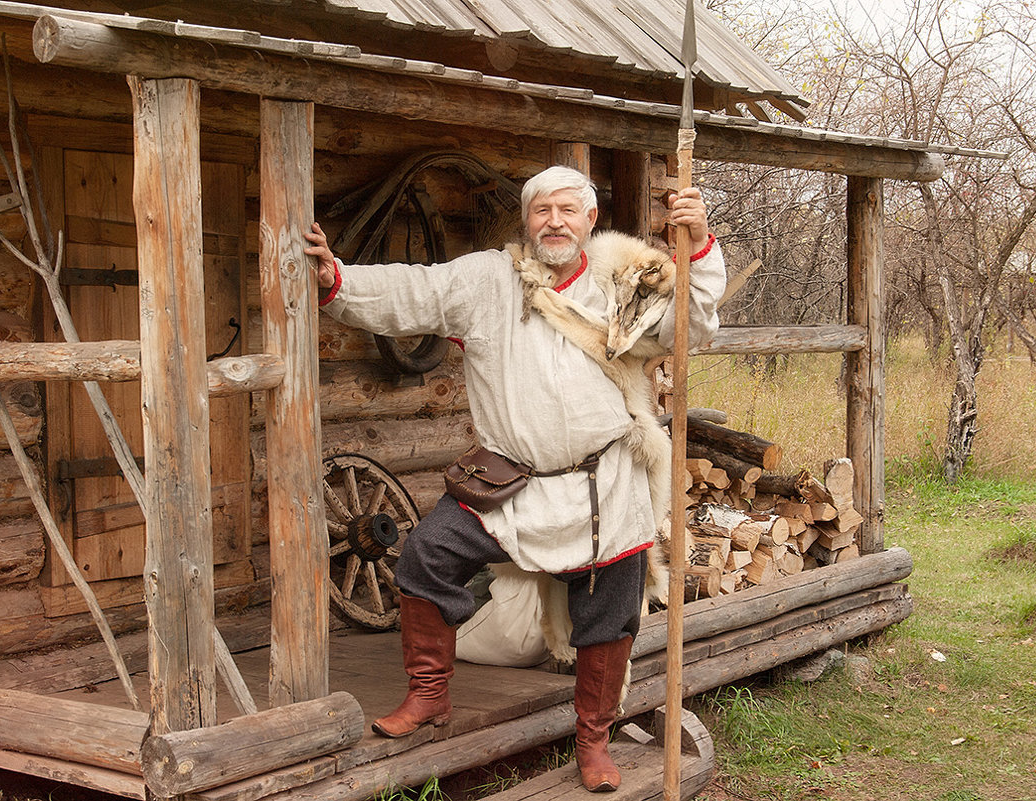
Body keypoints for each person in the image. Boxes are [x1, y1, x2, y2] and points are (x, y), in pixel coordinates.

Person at [304, 166, 725, 793]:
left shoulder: (622, 281)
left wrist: (697, 243)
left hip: (603, 487)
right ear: (526, 222)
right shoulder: (487, 281)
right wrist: (337, 278)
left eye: (567, 210)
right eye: (541, 211)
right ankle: (428, 697)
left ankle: (593, 741)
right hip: (510, 482)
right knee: (425, 556)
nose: (553, 222)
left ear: (588, 220)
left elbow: (688, 326)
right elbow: (414, 291)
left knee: (608, 616)